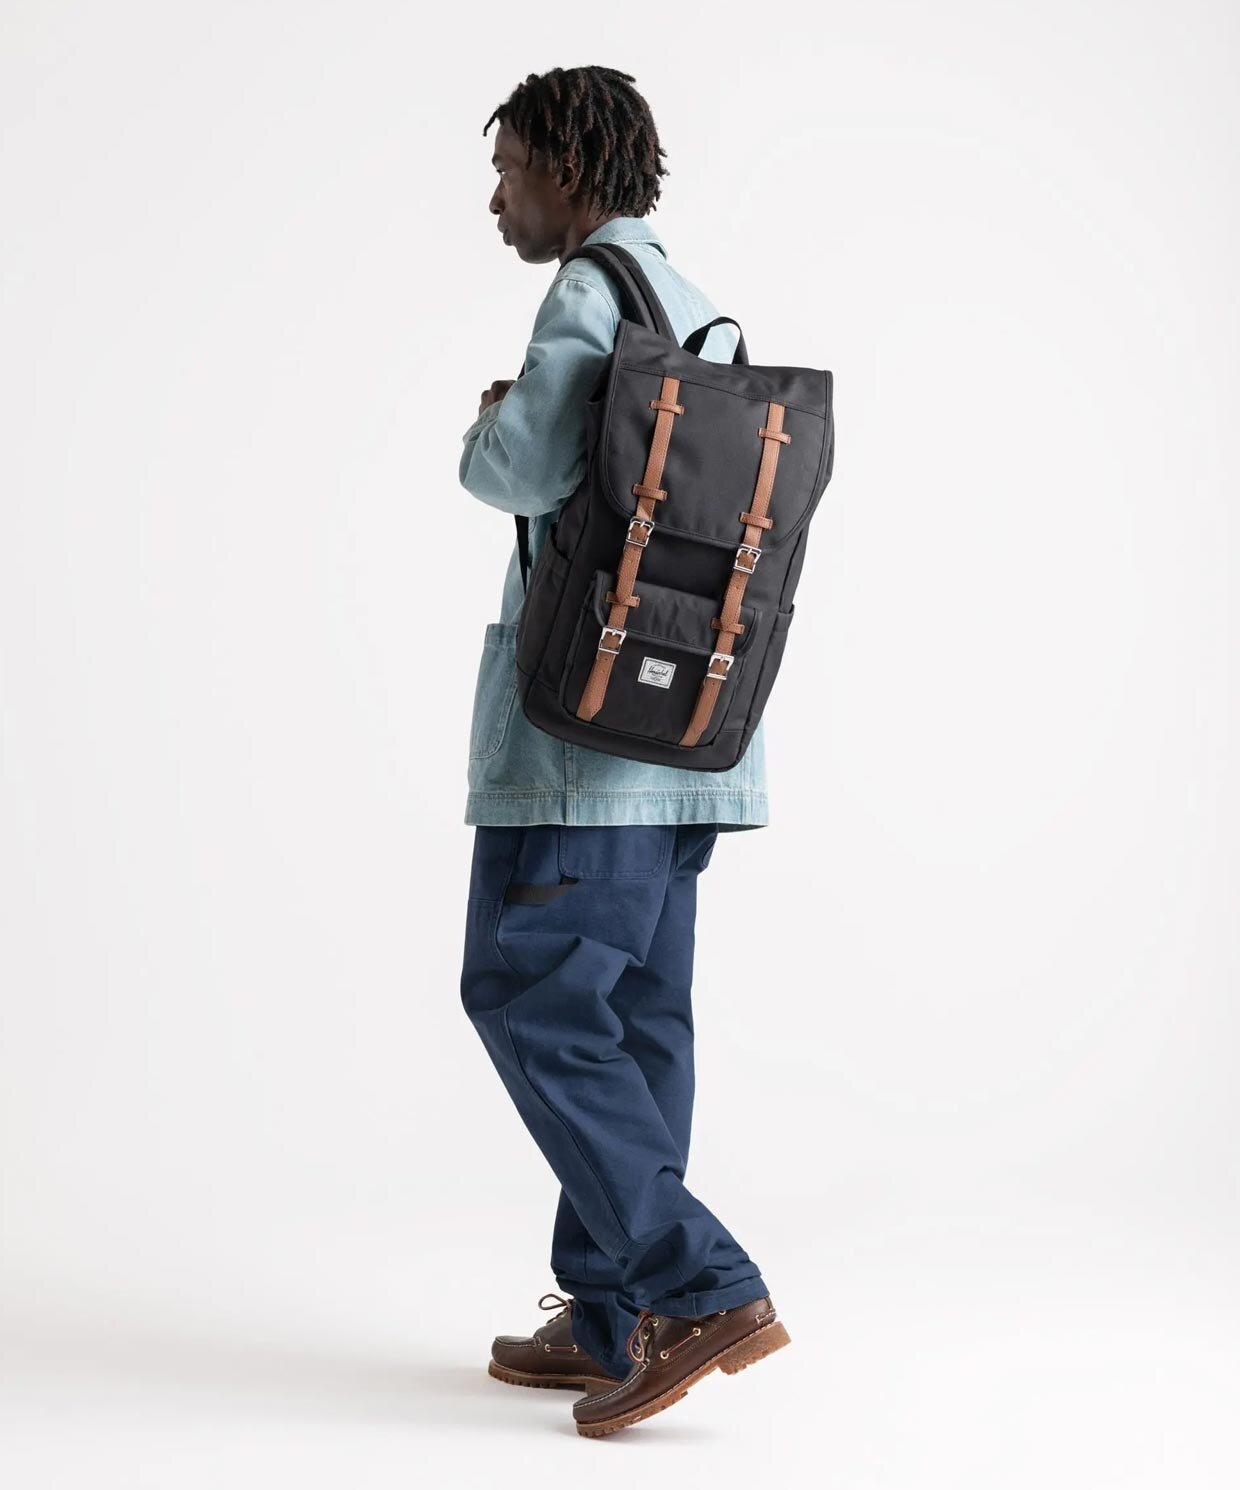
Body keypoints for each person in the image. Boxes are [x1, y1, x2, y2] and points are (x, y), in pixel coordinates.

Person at [457, 65, 789, 1438]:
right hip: (691, 738)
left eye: (509, 171)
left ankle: (698, 1286)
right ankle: (609, 1310)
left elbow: (515, 470)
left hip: (582, 746)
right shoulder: (704, 311)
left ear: (567, 169)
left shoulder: (587, 293)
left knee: (526, 990)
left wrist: (490, 418)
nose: (498, 199)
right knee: (640, 1015)